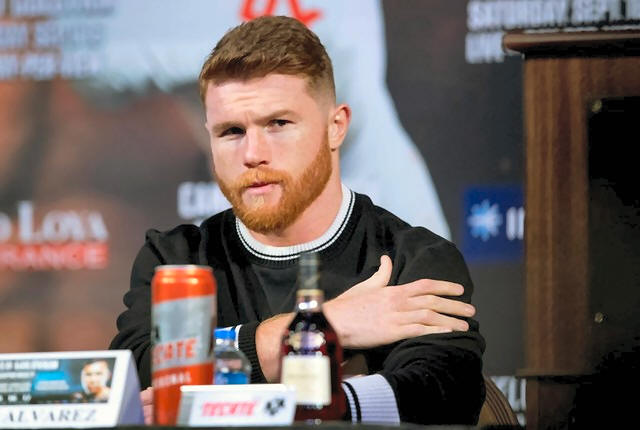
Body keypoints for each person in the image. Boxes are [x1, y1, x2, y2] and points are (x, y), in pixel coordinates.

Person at [110, 16, 484, 425]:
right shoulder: (176, 260)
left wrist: (236, 394)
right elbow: (138, 379)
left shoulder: (413, 260)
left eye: (278, 124)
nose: (253, 153)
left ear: (335, 127)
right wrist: (327, 327)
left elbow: (445, 392)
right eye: (231, 131)